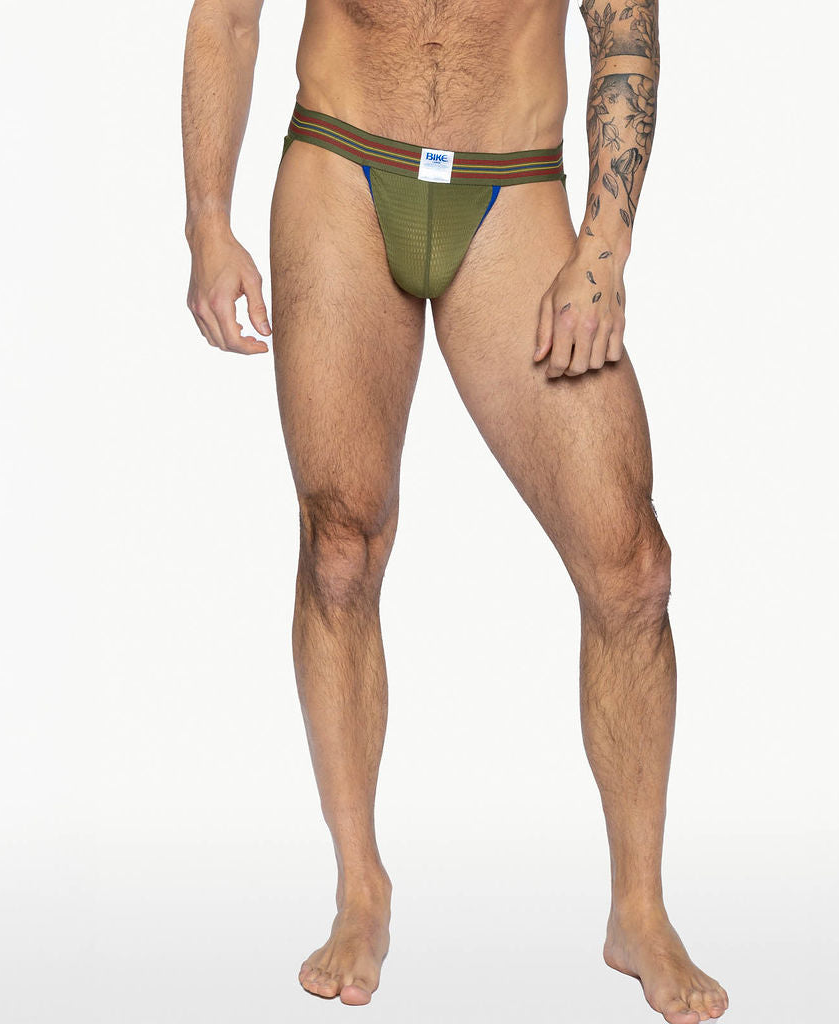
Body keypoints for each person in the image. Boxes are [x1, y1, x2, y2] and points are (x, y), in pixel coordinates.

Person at [181, 1, 728, 1020]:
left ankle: (639, 910)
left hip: (511, 187)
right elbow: (227, 17)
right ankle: (360, 888)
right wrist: (207, 218)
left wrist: (604, 248)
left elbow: (623, 32)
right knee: (340, 546)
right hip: (341, 166)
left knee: (630, 567)